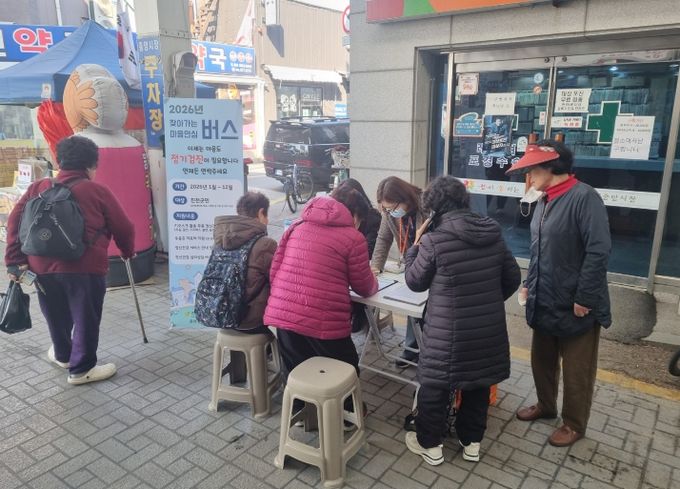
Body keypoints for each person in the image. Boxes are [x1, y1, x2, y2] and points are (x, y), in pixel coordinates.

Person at [403, 176, 521, 465]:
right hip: (487, 329)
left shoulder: (433, 240)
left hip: (446, 332)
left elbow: (415, 282)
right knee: (478, 383)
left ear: (434, 209)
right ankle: (471, 444)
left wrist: (414, 248)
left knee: (435, 385)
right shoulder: (493, 231)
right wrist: (486, 303)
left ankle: (430, 446)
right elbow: (513, 278)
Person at [4, 135, 134, 385]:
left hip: (40, 267)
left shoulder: (38, 187)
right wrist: (127, 251)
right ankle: (82, 369)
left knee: (54, 313)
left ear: (58, 161)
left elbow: (14, 223)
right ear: (91, 165)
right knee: (85, 316)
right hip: (84, 267)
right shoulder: (97, 191)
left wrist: (13, 260)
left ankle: (63, 355)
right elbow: (124, 227)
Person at [506, 140, 612, 447]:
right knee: (542, 359)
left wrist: (585, 298)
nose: (528, 177)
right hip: (545, 296)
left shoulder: (584, 197)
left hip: (575, 303)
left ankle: (574, 423)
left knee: (577, 369)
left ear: (551, 167)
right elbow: (538, 249)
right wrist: (529, 282)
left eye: (532, 170)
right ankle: (546, 405)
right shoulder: (544, 200)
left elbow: (598, 251)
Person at [263, 189, 378, 383]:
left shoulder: (297, 225)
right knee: (347, 370)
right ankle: (342, 403)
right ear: (355, 214)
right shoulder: (353, 237)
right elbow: (364, 287)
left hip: (283, 316)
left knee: (297, 373)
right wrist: (374, 280)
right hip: (323, 321)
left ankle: (299, 402)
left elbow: (275, 270)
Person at [372, 176, 427, 366]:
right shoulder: (389, 214)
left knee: (428, 309)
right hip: (411, 262)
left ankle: (427, 353)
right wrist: (376, 265)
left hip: (430, 260)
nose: (390, 212)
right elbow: (383, 238)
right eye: (386, 209)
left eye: (392, 208)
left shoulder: (425, 205)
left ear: (404, 198)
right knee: (412, 303)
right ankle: (411, 349)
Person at [213, 191, 277, 334]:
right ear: (261, 213)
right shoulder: (266, 244)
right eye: (266, 215)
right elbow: (278, 281)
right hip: (252, 320)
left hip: (222, 313)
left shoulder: (220, 239)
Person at [332, 178, 382, 333]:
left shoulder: (371, 217)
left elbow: (372, 247)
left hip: (364, 264)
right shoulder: (335, 225)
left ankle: (361, 320)